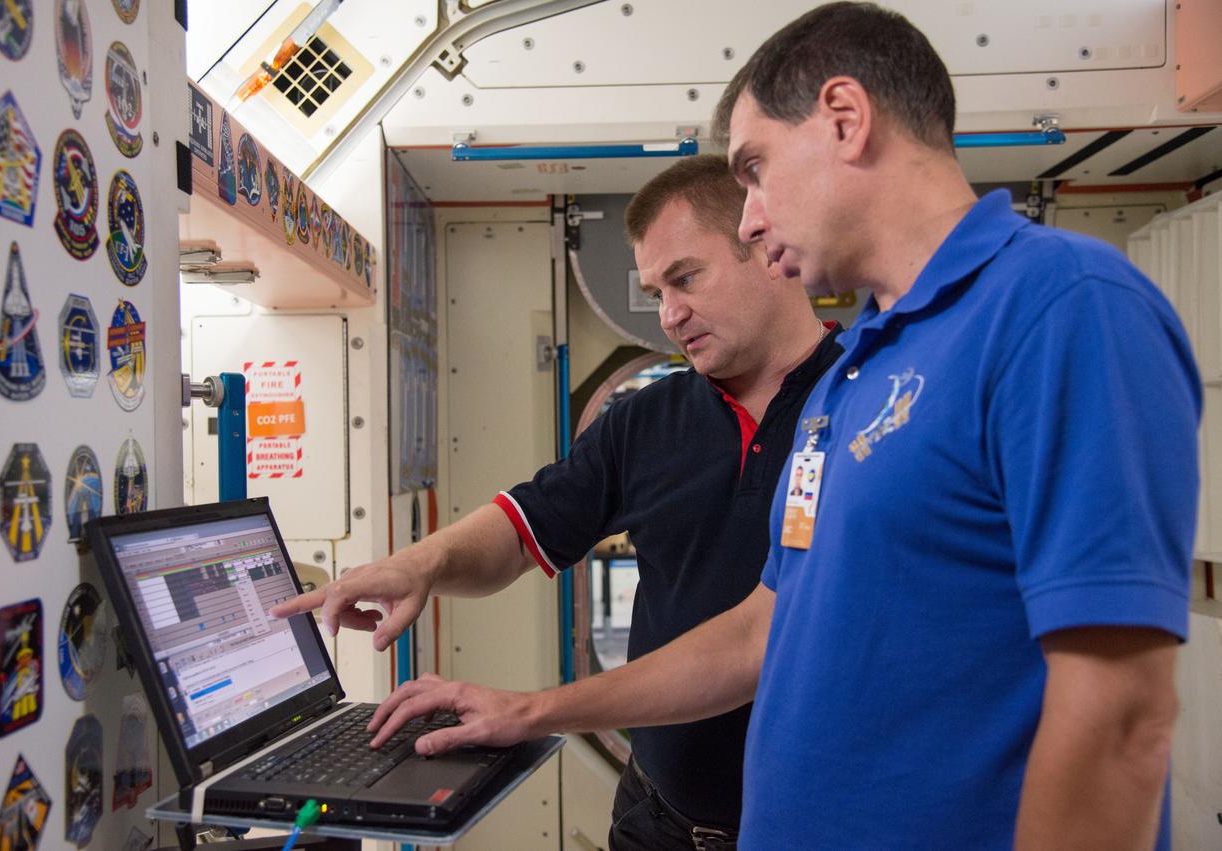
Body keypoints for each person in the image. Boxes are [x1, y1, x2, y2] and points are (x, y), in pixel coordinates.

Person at [365, 4, 1200, 849]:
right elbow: (761, 629)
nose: (751, 218)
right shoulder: (859, 374)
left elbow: (1119, 714)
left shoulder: (1060, 305)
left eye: (755, 169)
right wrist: (530, 708)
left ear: (844, 118)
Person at [272, 154, 842, 850]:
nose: (669, 315)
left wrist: (531, 710)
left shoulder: (869, 406)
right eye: (656, 291)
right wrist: (420, 564)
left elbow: (757, 640)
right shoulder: (646, 418)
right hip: (656, 819)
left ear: (764, 245)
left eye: (686, 277)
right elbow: (522, 529)